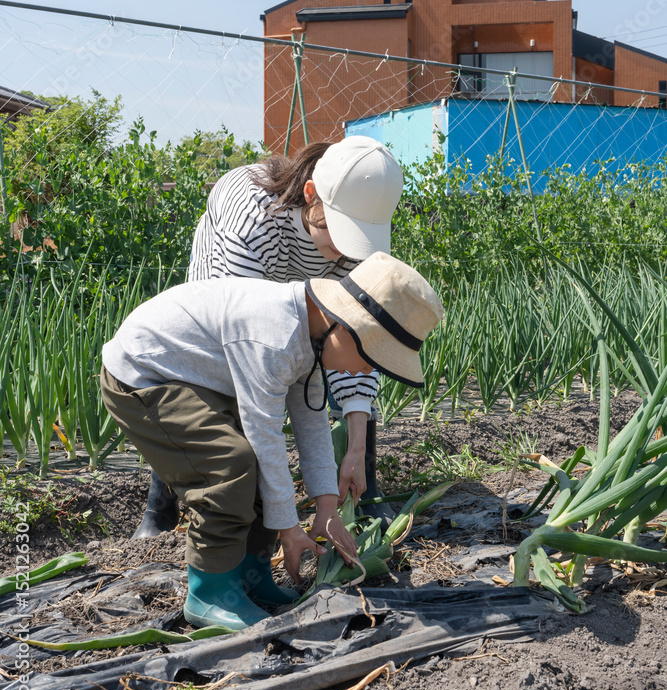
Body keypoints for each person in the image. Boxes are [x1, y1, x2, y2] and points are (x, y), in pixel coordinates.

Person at [101, 251, 443, 629]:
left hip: (195, 378)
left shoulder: (312, 334)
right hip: (143, 374)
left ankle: (250, 577)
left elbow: (312, 423)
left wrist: (327, 507)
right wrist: (290, 530)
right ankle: (209, 592)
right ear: (344, 326)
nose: (363, 371)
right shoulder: (274, 336)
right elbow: (264, 438)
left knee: (263, 469)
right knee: (229, 464)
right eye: (369, 358)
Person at [133, 136, 405, 539]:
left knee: (322, 362)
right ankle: (163, 503)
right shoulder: (252, 216)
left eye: (357, 237)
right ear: (311, 194)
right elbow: (245, 347)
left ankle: (364, 484)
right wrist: (284, 518)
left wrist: (355, 448)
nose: (345, 250)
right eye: (338, 231)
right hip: (232, 283)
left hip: (293, 290)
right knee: (210, 379)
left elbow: (356, 345)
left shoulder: (360, 237)